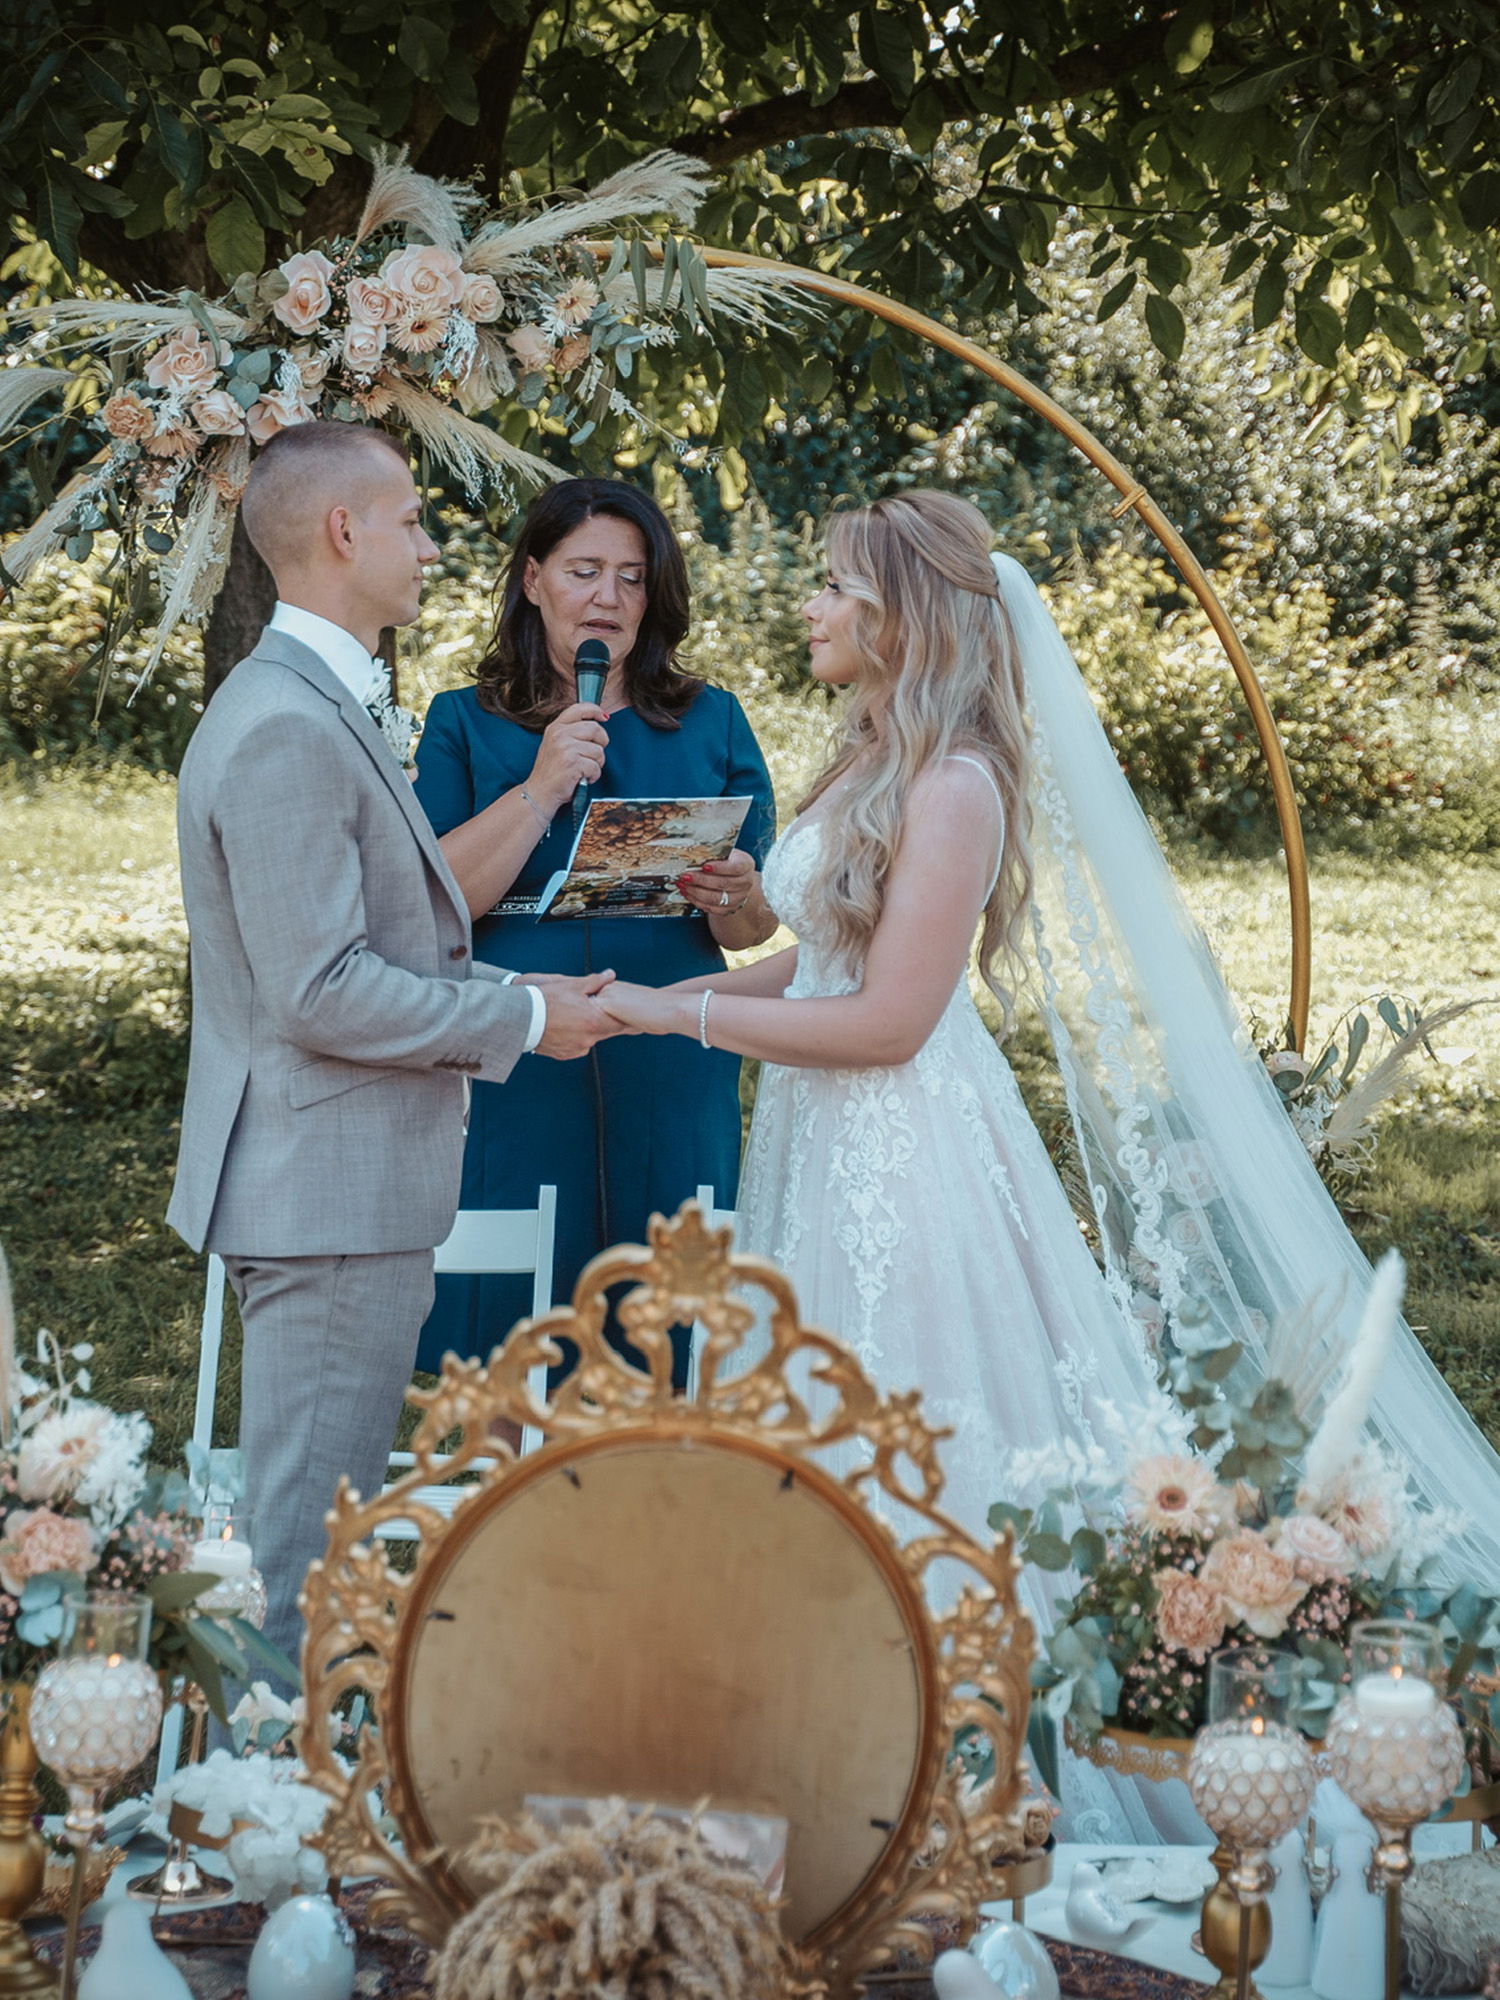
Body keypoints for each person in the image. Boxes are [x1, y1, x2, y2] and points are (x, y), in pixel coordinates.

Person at [600, 489, 1500, 1839]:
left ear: (904, 615)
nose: (813, 607)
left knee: (919, 1439)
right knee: (809, 1450)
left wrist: (681, 1017)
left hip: (906, 1160)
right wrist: (697, 971)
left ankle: (966, 1787)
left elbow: (895, 1021)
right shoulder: (864, 758)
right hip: (815, 1141)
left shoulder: (957, 783)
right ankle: (824, 1763)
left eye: (838, 587)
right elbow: (832, 960)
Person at [167, 422, 618, 1672]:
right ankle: (273, 1839)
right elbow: (319, 989)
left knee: (331, 1548)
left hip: (351, 1194)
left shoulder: (318, 703)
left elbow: (379, 940)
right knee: (305, 1572)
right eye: (413, 519)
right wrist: (524, 1017)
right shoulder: (281, 729)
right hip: (323, 1201)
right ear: (342, 532)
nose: (431, 543)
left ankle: (309, 1823)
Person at [411, 478, 777, 1371]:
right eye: (583, 571)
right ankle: (506, 1491)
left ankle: (662, 1482)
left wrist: (734, 892)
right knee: (511, 1299)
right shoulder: (463, 722)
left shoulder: (710, 717)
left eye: (631, 577)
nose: (607, 597)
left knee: (670, 1287)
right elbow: (431, 904)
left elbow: (749, 934)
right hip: (522, 1032)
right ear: (533, 579)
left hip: (671, 1033)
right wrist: (540, 787)